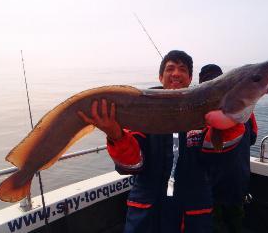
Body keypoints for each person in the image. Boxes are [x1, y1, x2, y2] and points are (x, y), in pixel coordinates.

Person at [78, 50, 215, 233]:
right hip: (147, 216)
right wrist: (116, 136)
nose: (176, 73)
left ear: (190, 78)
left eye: (182, 69)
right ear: (160, 77)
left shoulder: (205, 114)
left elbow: (219, 162)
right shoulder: (140, 110)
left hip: (191, 215)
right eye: (170, 68)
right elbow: (132, 165)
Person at [199, 64, 258, 233]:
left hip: (211, 186)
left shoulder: (202, 111)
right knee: (236, 224)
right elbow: (253, 137)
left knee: (214, 226)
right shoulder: (246, 111)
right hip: (238, 182)